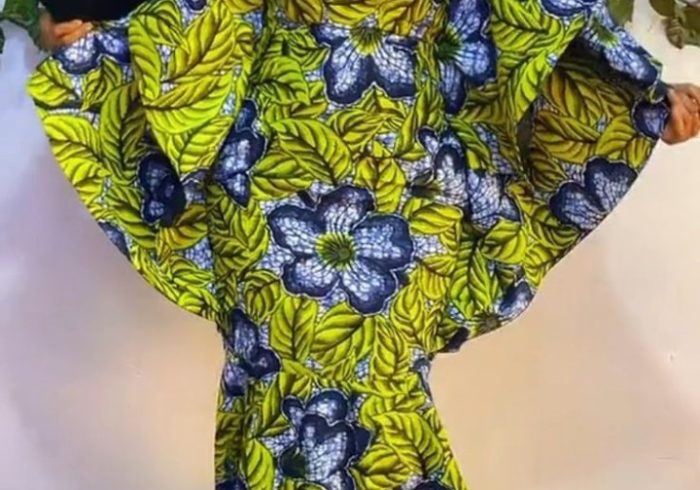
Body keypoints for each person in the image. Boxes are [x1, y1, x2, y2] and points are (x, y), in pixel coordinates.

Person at [31, 1, 700, 489]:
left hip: (413, 176)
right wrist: (79, 28)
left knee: (382, 375)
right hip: (269, 172)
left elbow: (533, 14)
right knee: (277, 373)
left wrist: (638, 92)